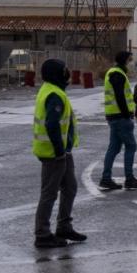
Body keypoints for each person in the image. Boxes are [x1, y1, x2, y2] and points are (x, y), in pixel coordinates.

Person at [32, 58, 86, 248]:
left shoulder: (53, 90)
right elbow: (52, 124)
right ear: (57, 74)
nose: (68, 73)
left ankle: (64, 226)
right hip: (54, 153)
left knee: (70, 187)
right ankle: (42, 234)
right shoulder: (54, 94)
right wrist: (59, 151)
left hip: (63, 152)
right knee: (49, 193)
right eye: (65, 70)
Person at [99, 51, 137, 191]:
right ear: (125, 60)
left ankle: (106, 179)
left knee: (113, 148)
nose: (132, 62)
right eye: (130, 59)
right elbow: (120, 96)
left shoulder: (114, 72)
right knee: (131, 147)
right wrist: (127, 114)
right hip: (120, 117)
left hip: (114, 116)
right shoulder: (117, 74)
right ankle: (129, 178)